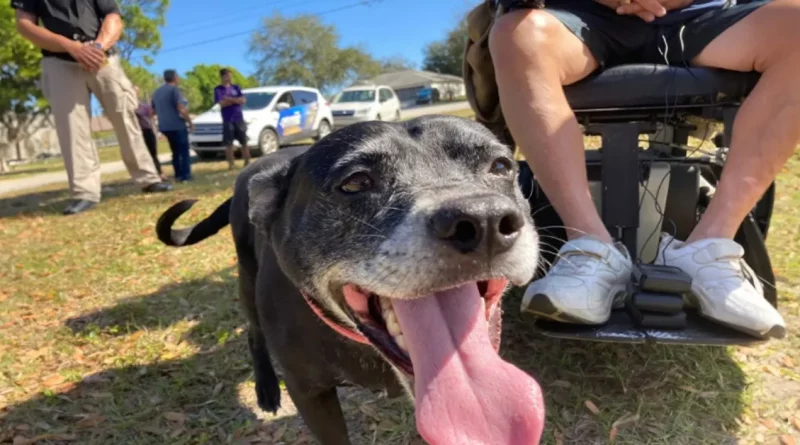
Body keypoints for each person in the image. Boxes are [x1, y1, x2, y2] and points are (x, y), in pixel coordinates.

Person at [486, 0, 792, 339]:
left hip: (701, 16)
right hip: (587, 17)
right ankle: (590, 248)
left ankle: (708, 249)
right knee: (516, 34)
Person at [11, 0, 172, 216]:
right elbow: (25, 25)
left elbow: (112, 16)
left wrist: (97, 48)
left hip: (102, 56)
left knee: (125, 118)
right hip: (59, 62)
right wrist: (71, 46)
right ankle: (84, 192)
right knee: (72, 129)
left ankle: (149, 179)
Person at [152, 70, 194, 182]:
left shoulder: (157, 92)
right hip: (177, 125)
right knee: (184, 151)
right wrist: (190, 122)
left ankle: (178, 174)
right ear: (175, 77)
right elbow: (180, 108)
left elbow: (153, 110)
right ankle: (186, 175)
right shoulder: (174, 90)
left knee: (175, 151)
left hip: (165, 126)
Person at [214, 68, 250, 169]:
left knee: (244, 141)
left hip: (239, 118)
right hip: (227, 119)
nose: (229, 78)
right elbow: (221, 104)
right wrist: (235, 101)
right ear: (222, 77)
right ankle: (231, 164)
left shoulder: (236, 88)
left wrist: (229, 99)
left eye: (230, 75)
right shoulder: (218, 89)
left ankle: (247, 161)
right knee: (229, 143)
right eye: (227, 76)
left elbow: (242, 100)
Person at [134, 86, 167, 181]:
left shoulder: (144, 107)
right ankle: (147, 176)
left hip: (147, 131)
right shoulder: (129, 108)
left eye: (136, 92)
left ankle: (160, 173)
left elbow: (152, 115)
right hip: (136, 133)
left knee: (153, 154)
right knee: (141, 156)